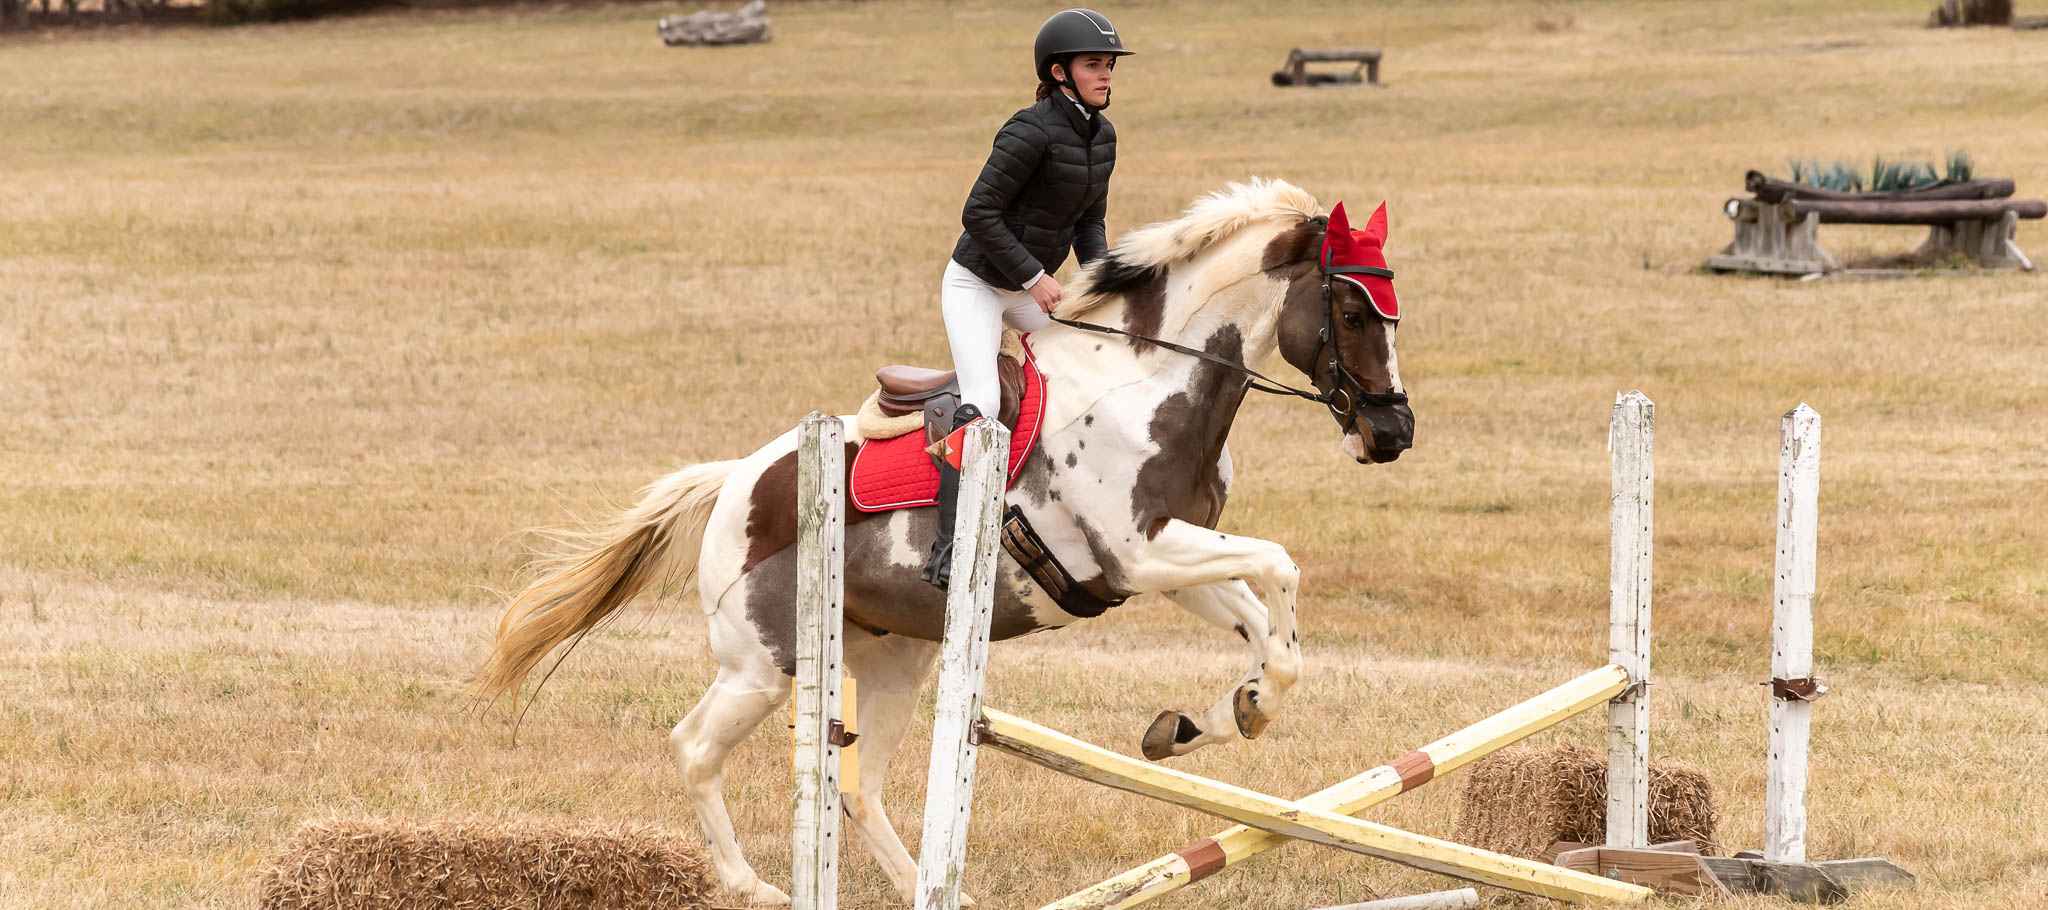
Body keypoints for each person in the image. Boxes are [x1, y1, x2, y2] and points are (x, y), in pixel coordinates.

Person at [924, 8, 1132, 589]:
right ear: (1060, 72)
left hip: (1028, 287)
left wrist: (1100, 290)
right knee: (985, 400)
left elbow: (1091, 224)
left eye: (1109, 65)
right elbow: (978, 213)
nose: (1106, 74)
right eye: (1095, 65)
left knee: (1082, 372)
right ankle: (947, 547)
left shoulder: (1103, 135)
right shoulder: (1028, 130)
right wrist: (1037, 279)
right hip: (979, 287)